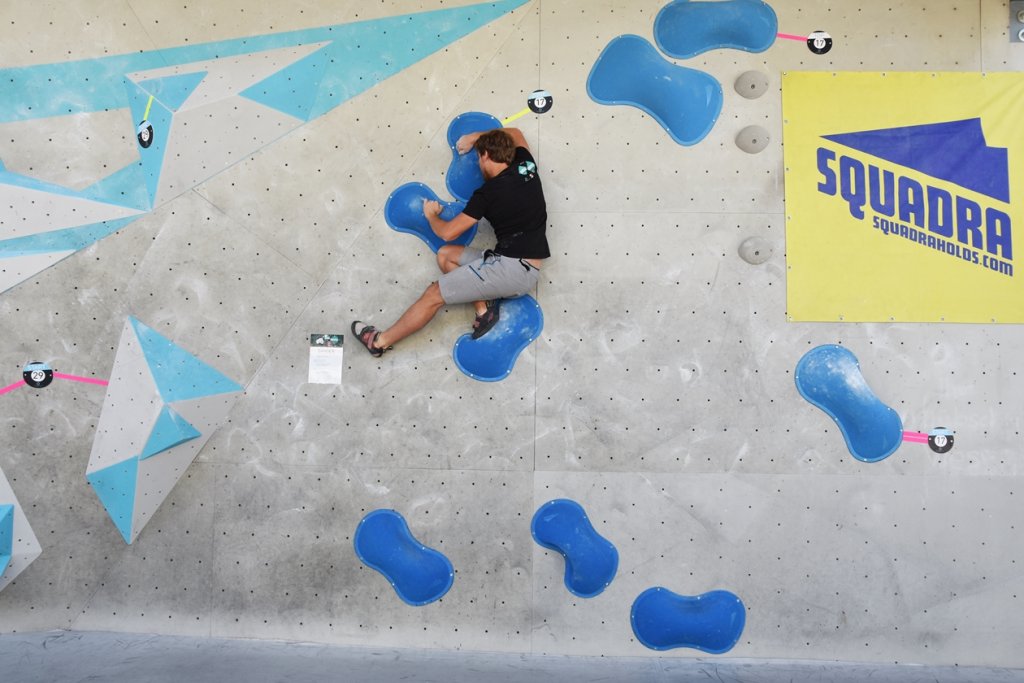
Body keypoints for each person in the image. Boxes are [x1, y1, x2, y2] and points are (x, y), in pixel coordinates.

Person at [352, 127, 549, 357]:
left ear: (485, 155)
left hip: (511, 270)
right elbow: (514, 132)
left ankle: (379, 342)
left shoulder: (487, 194)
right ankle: (483, 311)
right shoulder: (526, 167)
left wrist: (431, 215)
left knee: (434, 294)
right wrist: (477, 138)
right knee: (446, 255)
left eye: (478, 157)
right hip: (518, 265)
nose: (478, 163)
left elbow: (447, 232)